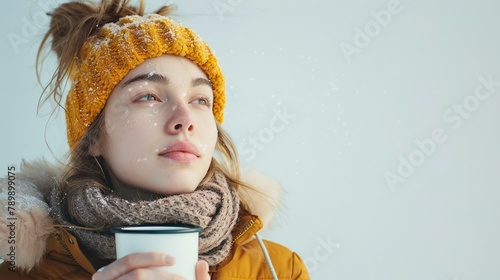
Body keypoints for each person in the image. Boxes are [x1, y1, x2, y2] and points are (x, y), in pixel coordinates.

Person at [0, 0, 310, 279]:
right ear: (92, 137)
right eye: (148, 96)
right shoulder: (23, 274)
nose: (185, 120)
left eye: (200, 100)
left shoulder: (278, 270)